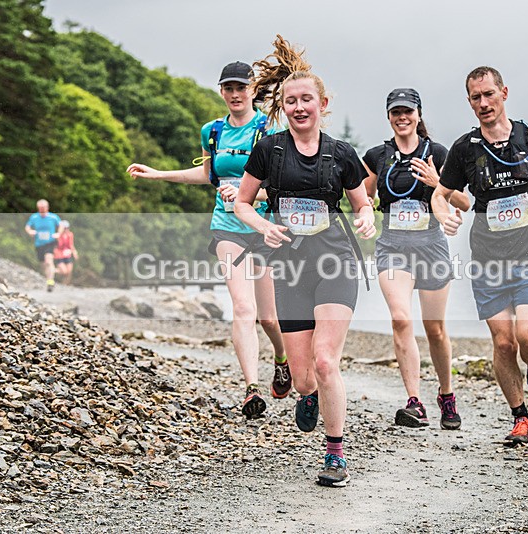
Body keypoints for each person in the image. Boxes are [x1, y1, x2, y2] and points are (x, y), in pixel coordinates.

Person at [234, 35, 376, 487]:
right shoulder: (270, 150)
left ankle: (335, 455)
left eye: (306, 100)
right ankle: (308, 395)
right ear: (283, 107)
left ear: (322, 103)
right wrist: (264, 227)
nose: (299, 107)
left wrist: (368, 221)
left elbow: (361, 204)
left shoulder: (341, 154)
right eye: (291, 101)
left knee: (326, 360)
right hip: (290, 269)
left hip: (336, 263)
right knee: (302, 377)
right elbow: (242, 202)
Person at [126, 61, 291, 419]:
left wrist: (249, 196)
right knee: (242, 308)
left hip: (264, 227)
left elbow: (280, 186)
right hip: (226, 227)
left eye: (241, 87)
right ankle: (251, 389)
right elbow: (205, 174)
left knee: (268, 318)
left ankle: (281, 358)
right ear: (221, 92)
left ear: (252, 90)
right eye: (228, 88)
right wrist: (158, 174)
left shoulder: (269, 129)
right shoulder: (212, 132)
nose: (235, 94)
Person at [432, 66, 528, 447]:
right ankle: (520, 417)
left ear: (504, 93)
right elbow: (440, 192)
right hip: (487, 261)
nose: (483, 103)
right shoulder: (466, 149)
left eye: (489, 95)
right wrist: (444, 215)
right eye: (475, 98)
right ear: (469, 102)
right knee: (503, 344)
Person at [363, 88, 470, 430]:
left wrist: (440, 183)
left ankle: (446, 395)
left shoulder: (438, 152)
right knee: (400, 319)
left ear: (419, 114)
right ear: (388, 116)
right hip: (392, 246)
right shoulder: (378, 155)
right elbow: (360, 194)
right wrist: (364, 213)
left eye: (408, 110)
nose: (402, 117)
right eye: (395, 111)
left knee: (434, 329)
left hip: (431, 246)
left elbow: (466, 203)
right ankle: (414, 401)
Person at [25, 199, 62, 292]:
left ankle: (50, 282)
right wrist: (30, 231)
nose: (42, 210)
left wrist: (58, 234)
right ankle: (49, 278)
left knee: (49, 261)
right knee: (44, 264)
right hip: (39, 243)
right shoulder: (34, 217)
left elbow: (61, 225)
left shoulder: (53, 217)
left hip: (50, 242)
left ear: (47, 207)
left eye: (44, 208)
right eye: (40, 208)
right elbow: (27, 226)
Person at [53, 220, 78, 285]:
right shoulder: (57, 235)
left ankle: (65, 284)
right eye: (64, 228)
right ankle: (52, 270)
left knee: (69, 271)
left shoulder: (70, 234)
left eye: (67, 228)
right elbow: (56, 245)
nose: (66, 230)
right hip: (59, 255)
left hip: (67, 254)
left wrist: (74, 252)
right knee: (64, 271)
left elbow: (71, 244)